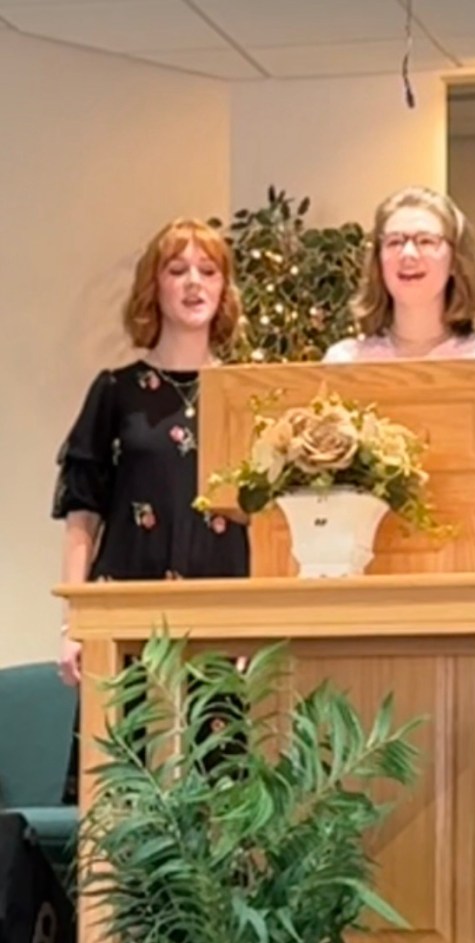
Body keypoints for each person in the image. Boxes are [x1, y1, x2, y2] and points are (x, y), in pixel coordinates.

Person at [52, 218, 250, 794]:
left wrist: (259, 624)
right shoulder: (115, 392)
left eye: (208, 271)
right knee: (122, 790)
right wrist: (74, 623)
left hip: (223, 615)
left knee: (224, 791)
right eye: (177, 269)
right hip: (127, 612)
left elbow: (268, 521)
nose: (194, 283)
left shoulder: (248, 393)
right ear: (154, 286)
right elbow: (82, 514)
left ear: (224, 288)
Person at [323, 185, 475, 362]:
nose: (408, 254)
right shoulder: (345, 361)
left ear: (455, 261)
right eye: (394, 242)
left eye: (426, 241)